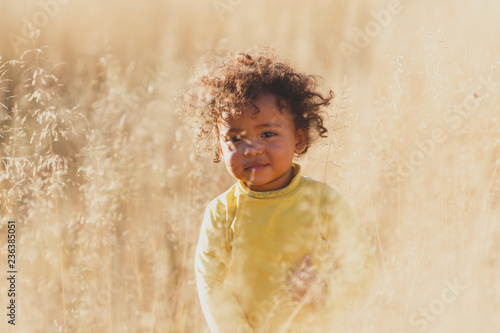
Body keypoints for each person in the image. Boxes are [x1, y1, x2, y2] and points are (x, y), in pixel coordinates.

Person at [180, 46, 378, 332]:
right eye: (235, 138)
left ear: (299, 140)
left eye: (268, 134)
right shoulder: (221, 213)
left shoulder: (323, 201)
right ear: (219, 147)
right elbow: (212, 287)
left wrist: (326, 290)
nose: (251, 149)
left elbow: (363, 269)